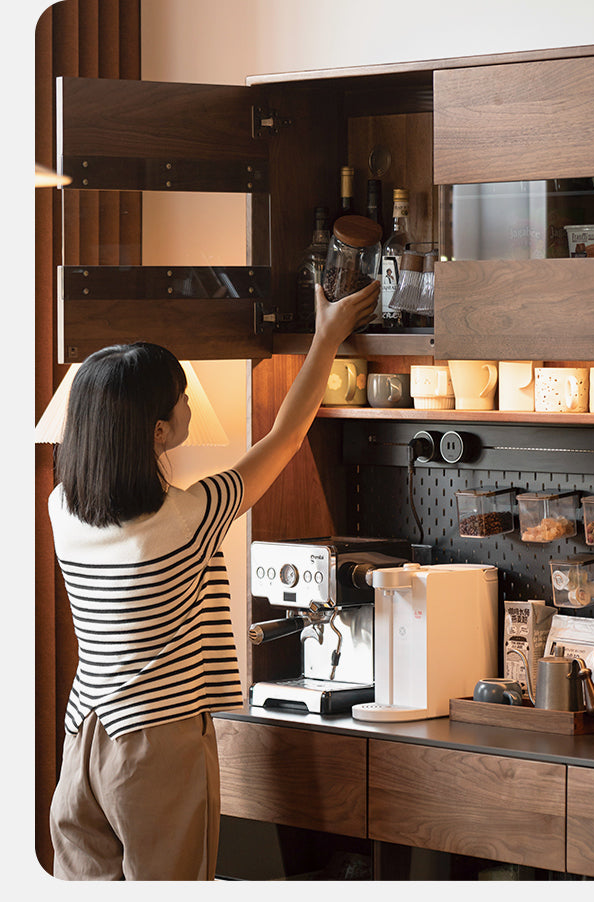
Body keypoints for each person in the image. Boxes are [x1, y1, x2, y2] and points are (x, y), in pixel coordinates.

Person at [47, 280, 379, 880]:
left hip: (84, 738)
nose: (189, 406)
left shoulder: (60, 507)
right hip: (157, 742)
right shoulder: (190, 516)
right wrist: (327, 334)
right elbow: (286, 435)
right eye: (180, 398)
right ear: (157, 432)